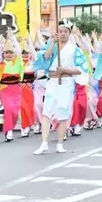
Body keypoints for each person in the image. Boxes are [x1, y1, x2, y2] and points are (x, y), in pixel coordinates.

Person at [32, 19, 91, 155]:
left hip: (66, 83)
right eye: (60, 31)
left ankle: (59, 143)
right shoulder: (52, 45)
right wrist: (52, 43)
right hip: (52, 82)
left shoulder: (74, 50)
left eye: (65, 31)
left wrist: (66, 70)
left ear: (69, 33)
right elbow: (45, 59)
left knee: (63, 113)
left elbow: (83, 69)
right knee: (46, 112)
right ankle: (44, 143)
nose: (63, 34)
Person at [0, 31, 24, 142]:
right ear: (3, 54)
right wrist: (1, 45)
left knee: (15, 111)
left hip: (16, 90)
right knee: (8, 109)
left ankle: (9, 128)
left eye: (10, 52)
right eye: (6, 53)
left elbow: (18, 51)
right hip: (5, 89)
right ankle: (9, 131)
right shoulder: (1, 63)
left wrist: (12, 38)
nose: (8, 54)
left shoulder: (17, 62)